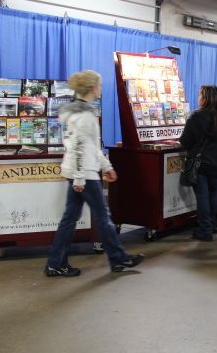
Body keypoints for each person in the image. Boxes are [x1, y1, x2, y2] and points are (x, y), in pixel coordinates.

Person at [45, 70, 144, 277]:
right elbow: (80, 146)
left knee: (70, 218)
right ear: (91, 88)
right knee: (102, 217)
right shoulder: (84, 115)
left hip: (78, 170)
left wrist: (106, 166)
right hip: (84, 173)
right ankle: (118, 258)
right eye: (99, 85)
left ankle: (56, 262)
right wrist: (81, 177)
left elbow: (90, 145)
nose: (101, 89)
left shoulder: (76, 111)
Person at [179, 85, 217, 241]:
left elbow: (184, 141)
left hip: (200, 164)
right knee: (213, 195)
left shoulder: (195, 117)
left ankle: (205, 230)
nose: (198, 98)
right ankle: (212, 225)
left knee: (202, 197)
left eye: (200, 95)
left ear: (206, 98)